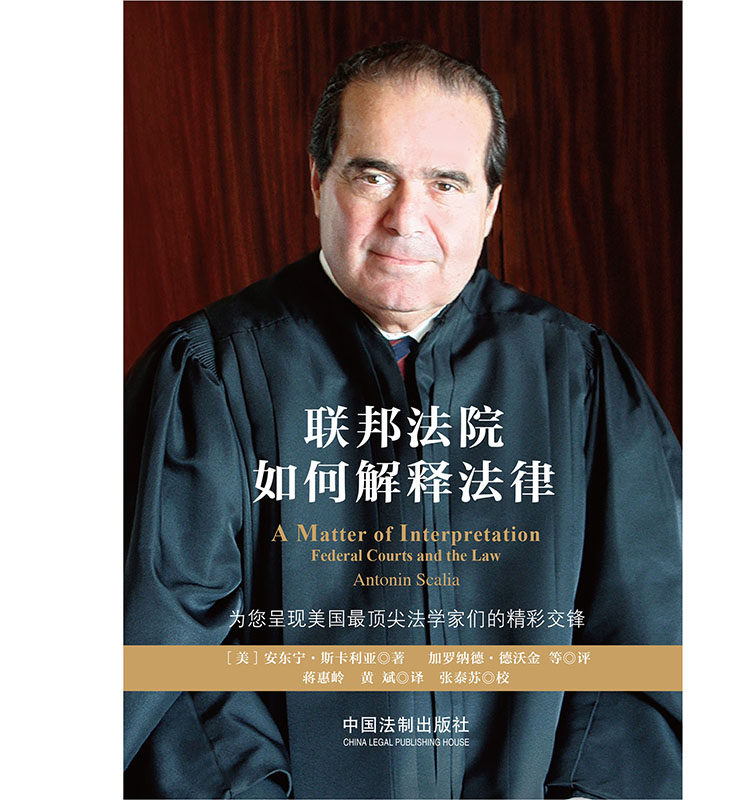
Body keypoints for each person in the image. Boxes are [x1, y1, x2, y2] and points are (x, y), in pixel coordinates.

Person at [124, 42, 681, 799]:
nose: (405, 219)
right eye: (373, 175)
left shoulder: (580, 378)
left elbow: (649, 642)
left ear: (490, 205)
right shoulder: (212, 373)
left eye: (446, 183)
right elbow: (161, 659)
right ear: (318, 181)